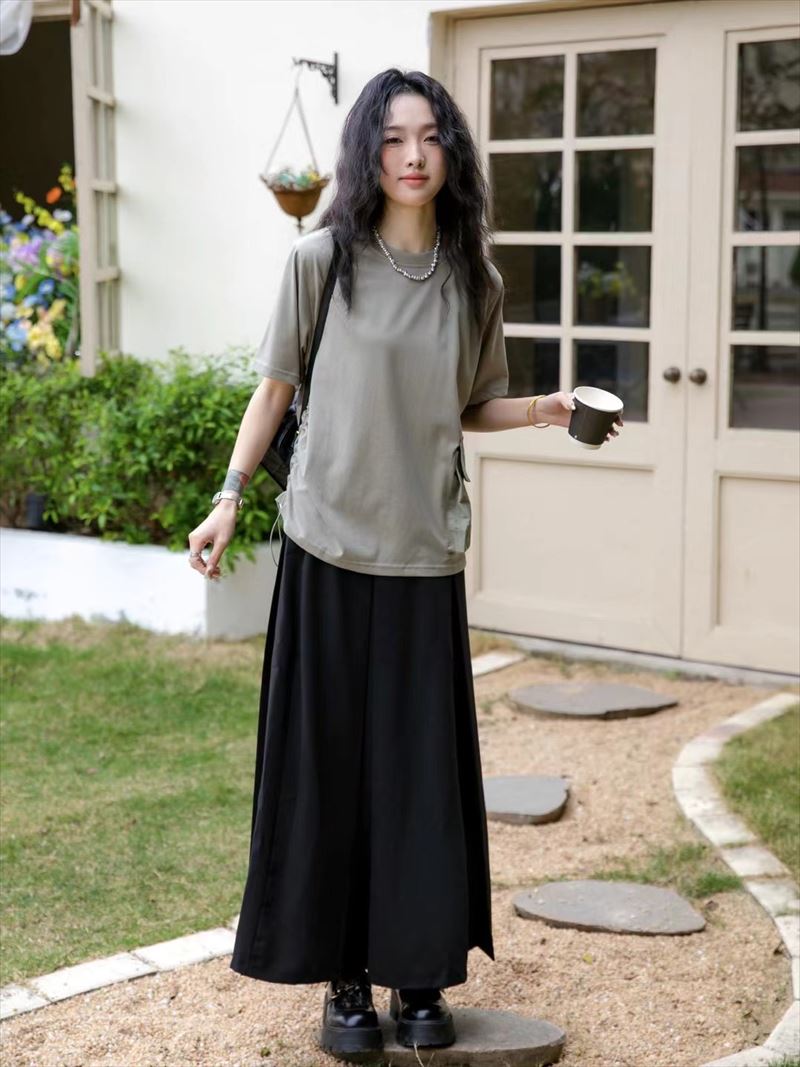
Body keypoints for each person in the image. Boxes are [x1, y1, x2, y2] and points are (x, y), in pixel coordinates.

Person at [187, 67, 622, 1060]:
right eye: (391, 138)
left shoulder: (475, 280)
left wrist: (547, 409)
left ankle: (417, 972)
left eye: (429, 137)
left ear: (450, 151)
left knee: (418, 778)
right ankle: (344, 979)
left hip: (424, 555)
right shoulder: (320, 261)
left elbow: (471, 403)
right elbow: (274, 389)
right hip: (327, 547)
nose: (413, 155)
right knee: (332, 772)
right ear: (365, 153)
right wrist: (228, 496)